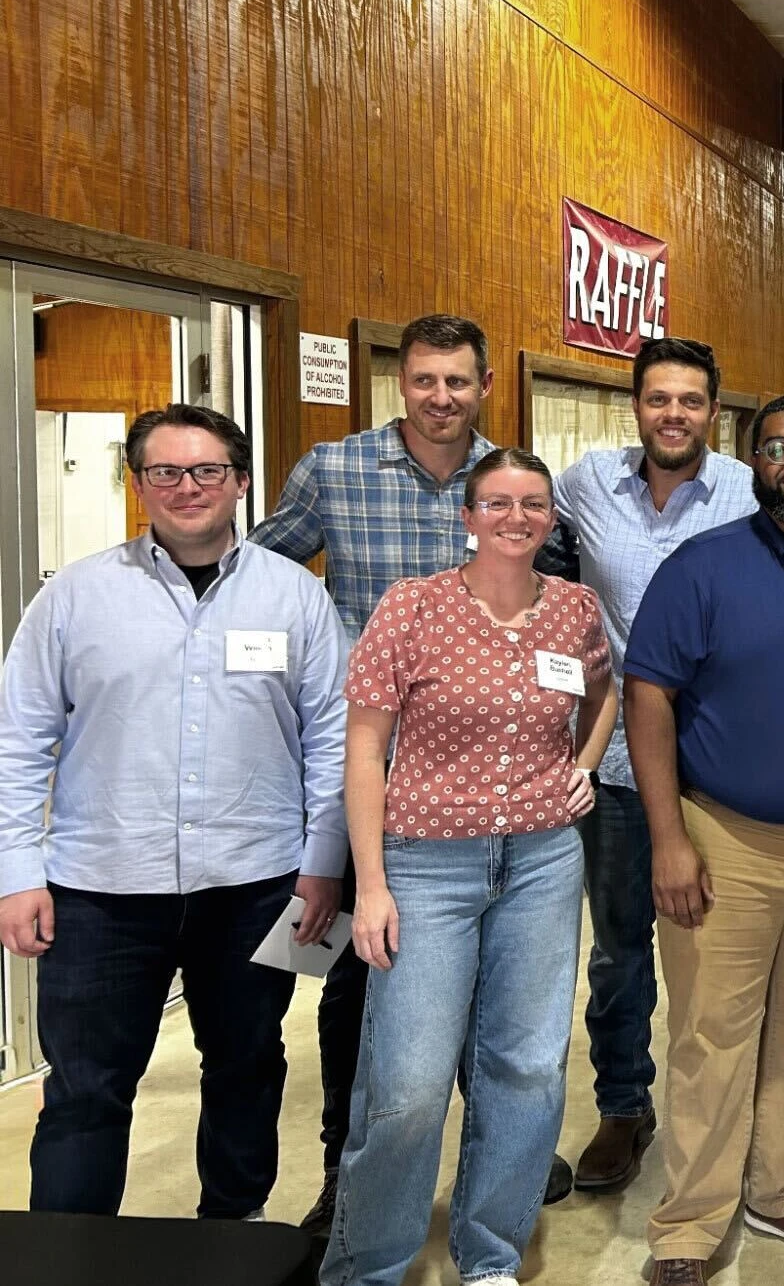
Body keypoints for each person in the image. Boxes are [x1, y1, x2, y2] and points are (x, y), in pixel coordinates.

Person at [254, 314, 570, 1223]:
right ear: (401, 381)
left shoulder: (508, 482)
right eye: (425, 380)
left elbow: (560, 600)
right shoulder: (335, 469)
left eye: (458, 382)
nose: (441, 397)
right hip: (373, 769)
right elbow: (261, 571)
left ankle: (499, 1156)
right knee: (360, 976)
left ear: (483, 387)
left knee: (492, 983)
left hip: (490, 779)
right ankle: (349, 1171)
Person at [0, 404, 348, 1219]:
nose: (187, 487)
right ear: (138, 483)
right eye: (165, 471)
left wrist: (323, 866)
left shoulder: (296, 597)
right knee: (85, 1091)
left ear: (241, 482)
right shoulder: (75, 597)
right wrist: (16, 872)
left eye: (207, 471)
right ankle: (70, 1260)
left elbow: (333, 740)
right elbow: (18, 740)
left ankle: (233, 1235)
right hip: (100, 891)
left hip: (258, 885)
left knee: (248, 1066)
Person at [317, 447, 615, 1286]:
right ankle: (369, 1265)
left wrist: (584, 766)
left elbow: (603, 696)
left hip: (542, 861)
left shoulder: (575, 609)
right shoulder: (412, 607)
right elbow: (364, 750)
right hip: (425, 867)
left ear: (550, 518)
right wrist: (371, 886)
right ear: (468, 517)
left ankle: (490, 1256)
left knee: (526, 1067)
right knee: (408, 1083)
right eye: (497, 504)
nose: (516, 518)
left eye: (532, 505)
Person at [623, 393, 784, 1286]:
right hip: (726, 835)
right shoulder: (704, 567)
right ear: (752, 465)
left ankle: (782, 1188)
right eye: (777, 448)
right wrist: (668, 837)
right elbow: (648, 695)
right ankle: (689, 1225)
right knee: (711, 1032)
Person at [538, 336, 755, 1191]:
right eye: (658, 398)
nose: (673, 414)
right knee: (619, 952)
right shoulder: (587, 483)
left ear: (714, 411)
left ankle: (727, 1117)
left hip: (722, 762)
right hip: (619, 765)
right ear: (635, 406)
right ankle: (623, 1107)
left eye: (690, 401)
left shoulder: (746, 491)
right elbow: (519, 537)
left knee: (722, 956)